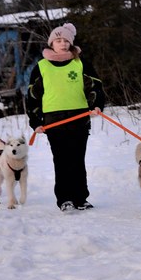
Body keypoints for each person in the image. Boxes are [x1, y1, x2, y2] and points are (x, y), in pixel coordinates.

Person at [26, 23, 105, 212]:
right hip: (54, 122)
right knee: (61, 161)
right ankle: (64, 199)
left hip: (79, 118)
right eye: (58, 40)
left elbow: (95, 87)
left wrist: (96, 106)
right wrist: (36, 121)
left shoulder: (81, 63)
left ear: (71, 43)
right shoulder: (41, 67)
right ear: (51, 43)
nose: (62, 44)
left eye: (65, 41)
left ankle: (80, 198)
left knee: (78, 160)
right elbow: (33, 96)